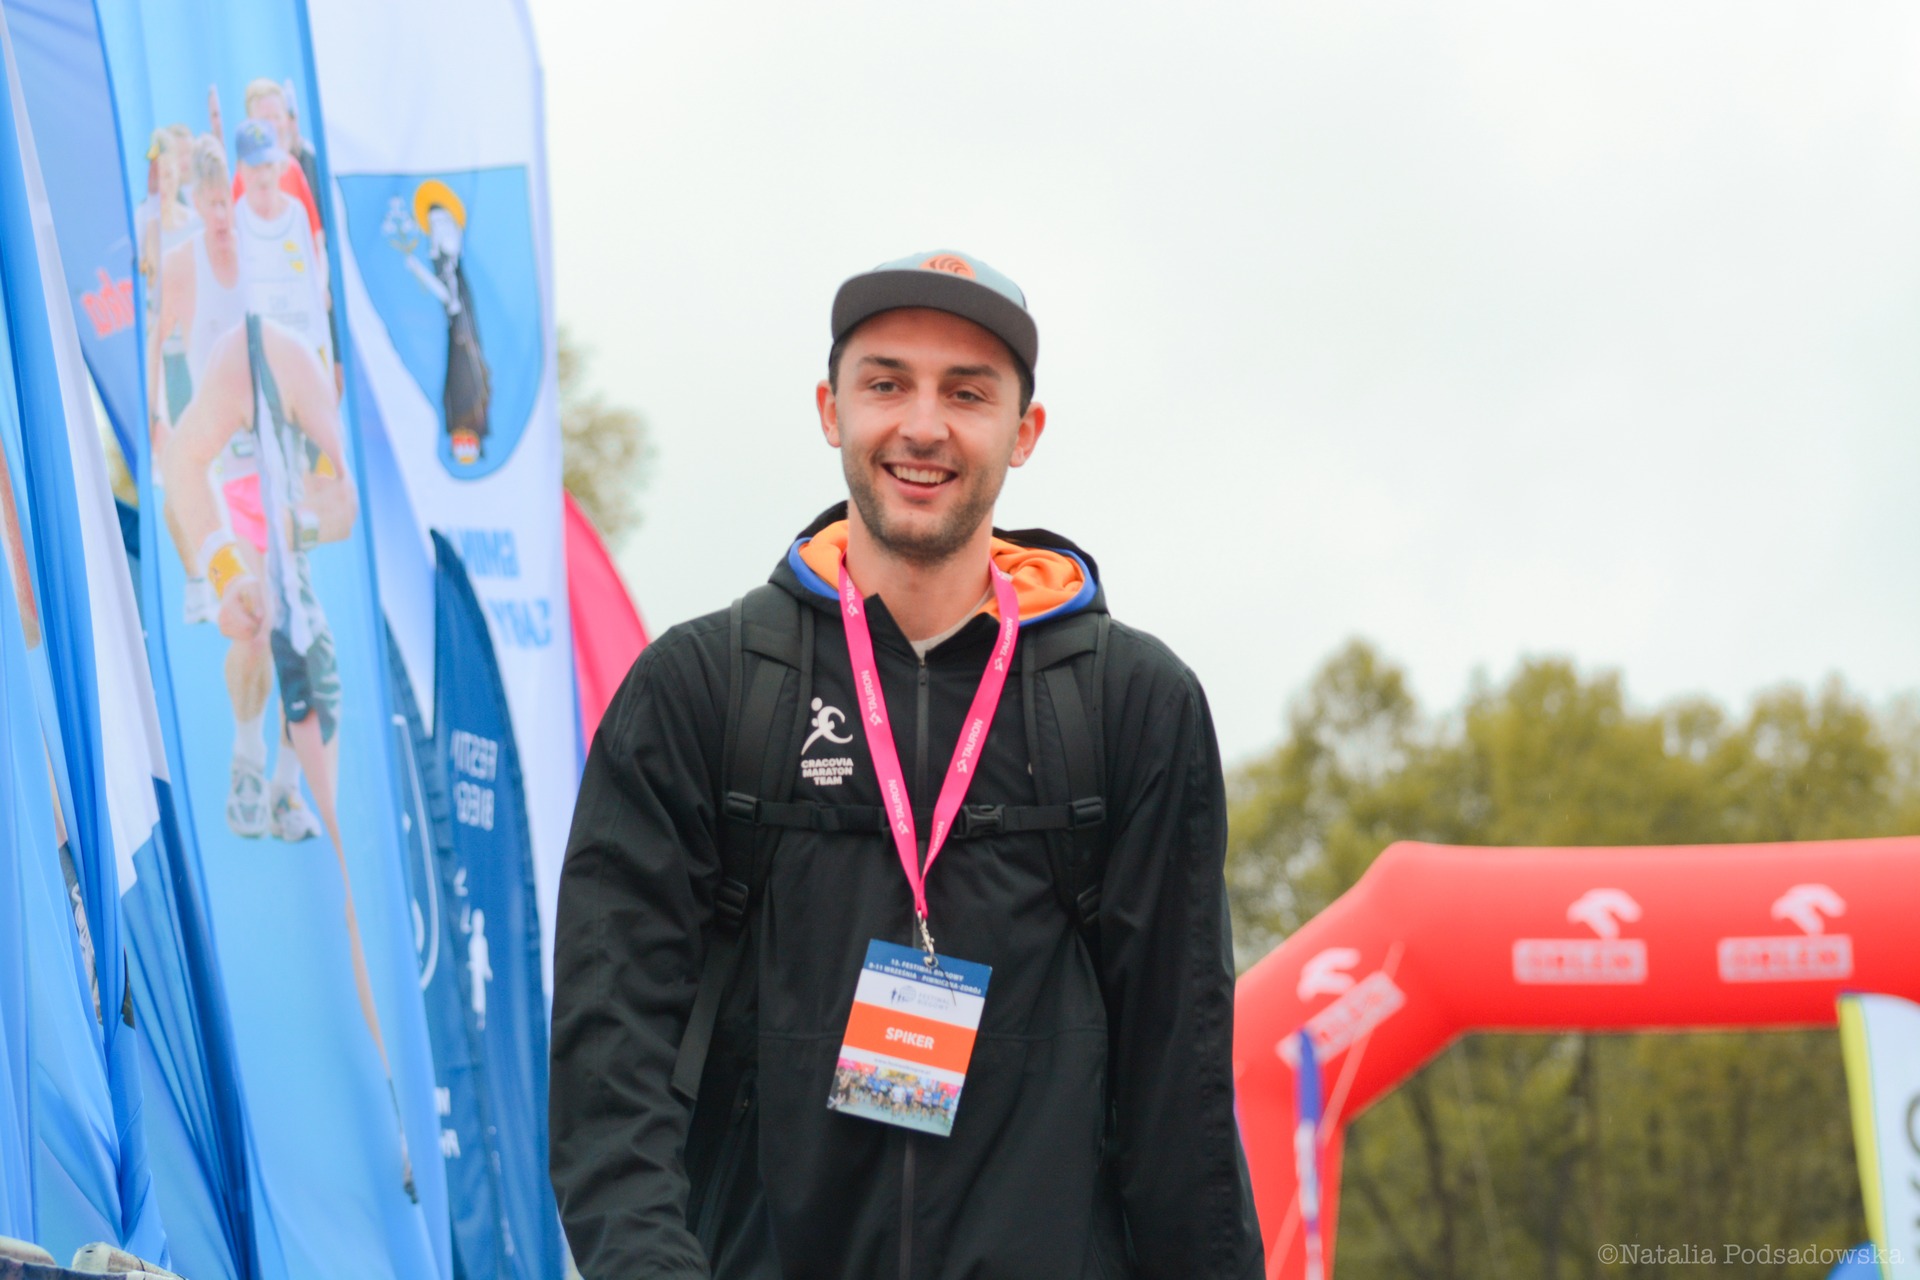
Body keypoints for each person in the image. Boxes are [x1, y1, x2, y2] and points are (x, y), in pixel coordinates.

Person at [551, 250, 1263, 1277]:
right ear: (830, 409)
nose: (923, 426)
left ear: (1024, 431)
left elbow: (1180, 1097)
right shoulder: (700, 689)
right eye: (887, 383)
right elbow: (608, 1059)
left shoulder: (1131, 705)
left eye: (967, 393)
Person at [162, 311, 414, 1201]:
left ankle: (395, 1111)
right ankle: (254, 764)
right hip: (233, 548)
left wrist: (300, 517)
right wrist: (226, 563)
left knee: (351, 865)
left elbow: (342, 502)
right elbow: (178, 456)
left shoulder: (306, 348)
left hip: (297, 575)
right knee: (333, 862)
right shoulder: (236, 331)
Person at [149, 136, 322, 843]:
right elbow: (153, 342)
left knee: (298, 634)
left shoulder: (263, 255)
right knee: (254, 622)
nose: (223, 216)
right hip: (220, 469)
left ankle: (286, 785)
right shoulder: (184, 265)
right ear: (197, 203)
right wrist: (158, 423)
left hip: (278, 466)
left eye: (231, 203)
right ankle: (249, 761)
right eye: (213, 204)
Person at [401, 180, 491, 466]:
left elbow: (452, 300)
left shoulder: (455, 268)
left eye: (444, 224)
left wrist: (419, 271)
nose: (440, 231)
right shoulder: (442, 265)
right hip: (454, 338)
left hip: (464, 335)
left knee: (468, 383)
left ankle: (471, 429)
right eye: (435, 225)